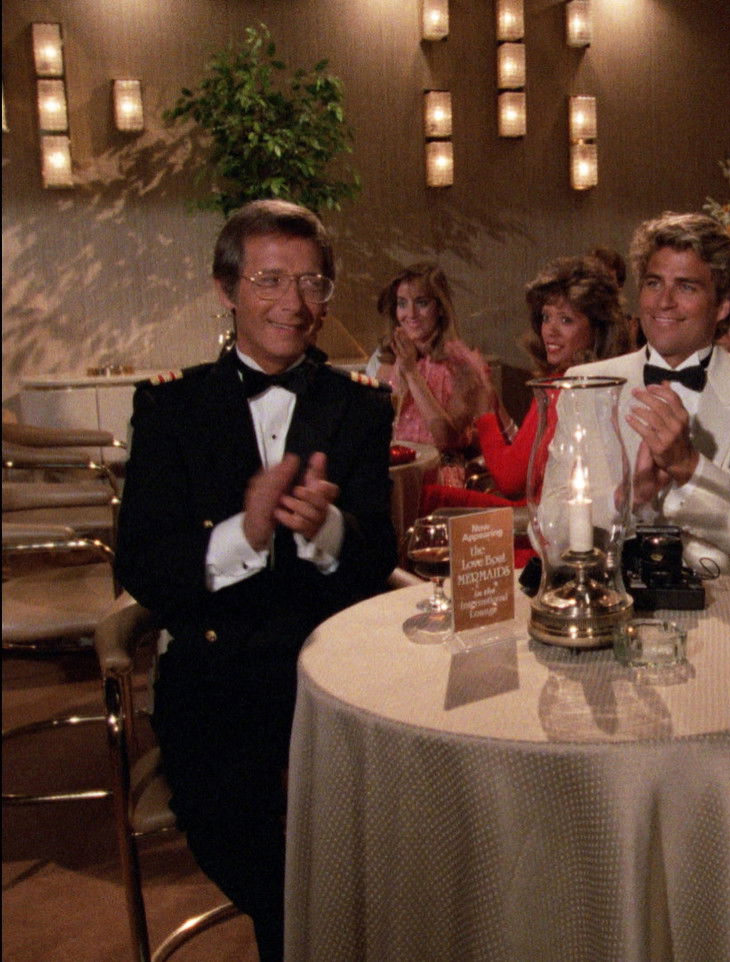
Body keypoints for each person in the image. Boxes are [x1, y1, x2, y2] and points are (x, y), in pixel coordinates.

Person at [115, 200, 398, 962]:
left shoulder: (358, 407)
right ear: (226, 289)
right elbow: (142, 564)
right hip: (218, 677)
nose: (293, 304)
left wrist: (326, 530)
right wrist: (244, 536)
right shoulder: (171, 408)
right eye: (270, 280)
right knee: (260, 859)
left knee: (396, 834)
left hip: (332, 674)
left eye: (311, 283)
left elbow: (378, 551)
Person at [569, 211, 730, 582]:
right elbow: (546, 523)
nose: (664, 302)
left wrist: (689, 466)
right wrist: (627, 499)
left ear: (723, 306)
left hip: (726, 605)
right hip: (611, 597)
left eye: (686, 287)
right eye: (653, 283)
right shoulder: (585, 384)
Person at [425, 255, 632, 509]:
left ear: (597, 329)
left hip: (538, 521)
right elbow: (524, 457)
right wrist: (490, 398)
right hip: (540, 511)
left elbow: (510, 481)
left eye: (566, 319)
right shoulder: (579, 380)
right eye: (546, 317)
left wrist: (482, 411)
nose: (550, 330)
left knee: (423, 498)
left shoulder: (566, 388)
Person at [370, 261, 484, 480]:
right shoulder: (387, 364)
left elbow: (445, 439)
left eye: (421, 303)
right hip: (396, 474)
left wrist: (412, 373)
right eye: (402, 304)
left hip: (440, 475)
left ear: (440, 308)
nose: (410, 314)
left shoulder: (460, 365)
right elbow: (376, 432)